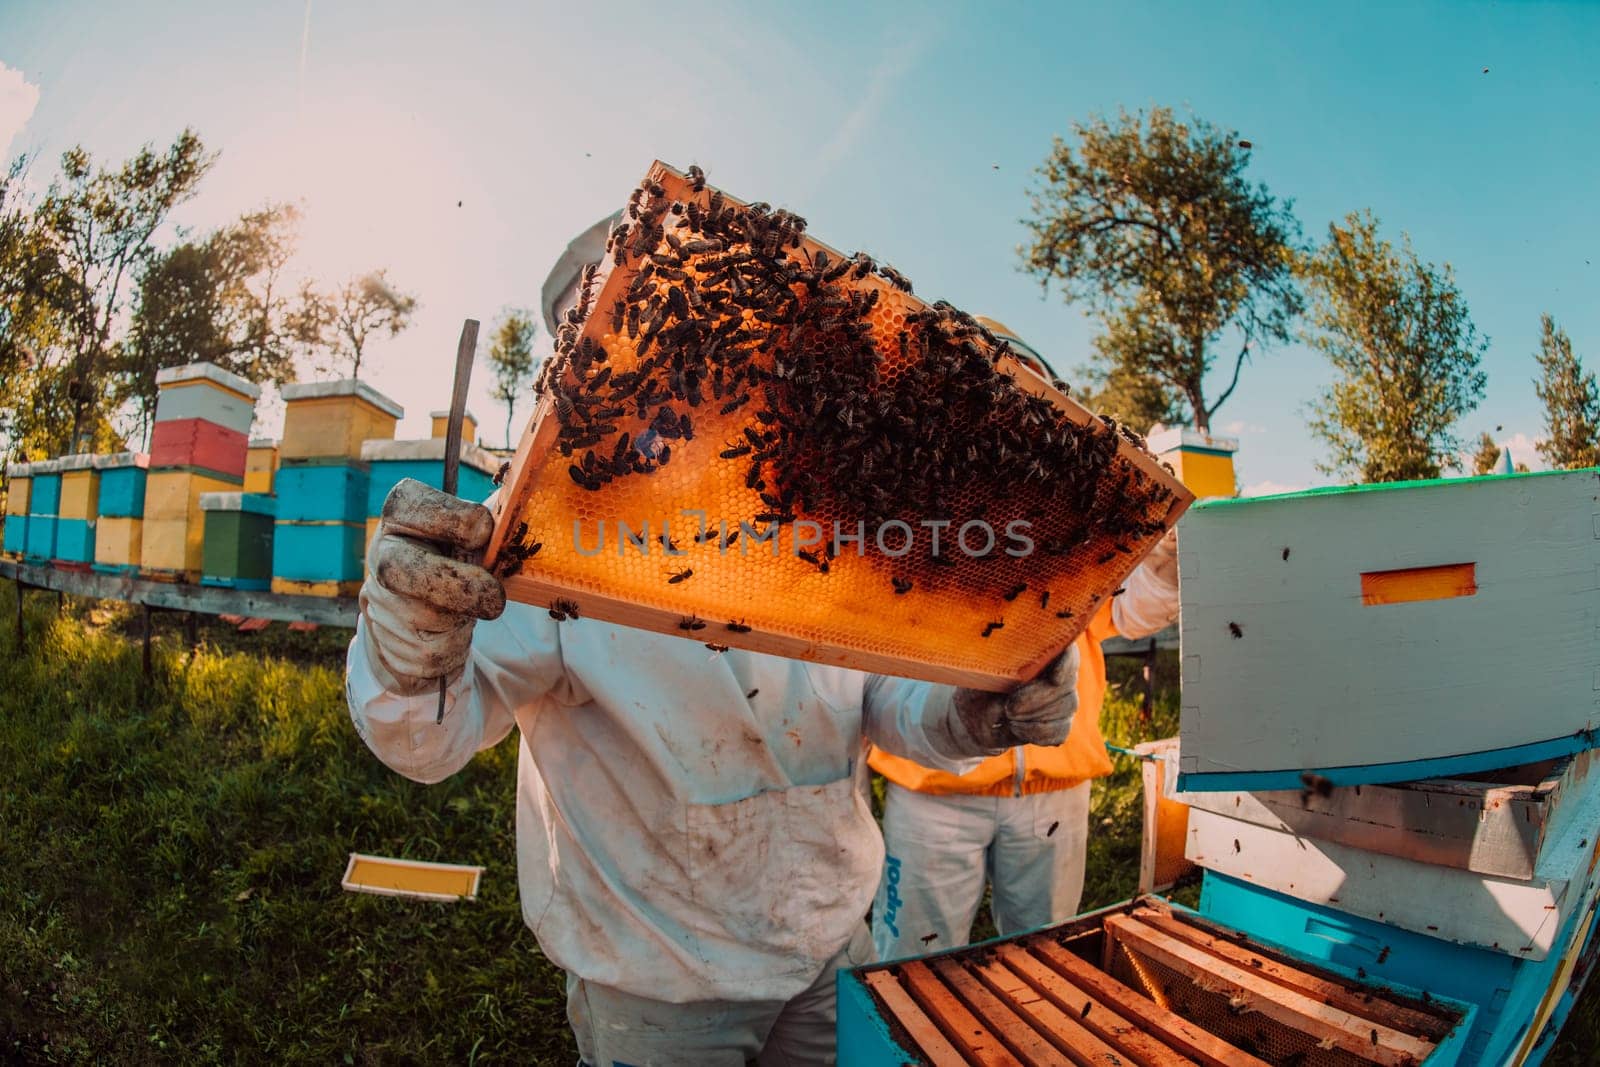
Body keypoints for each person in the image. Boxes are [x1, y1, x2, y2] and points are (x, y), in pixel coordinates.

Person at [346, 478, 1083, 1066]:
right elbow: (428, 736)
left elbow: (883, 694)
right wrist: (411, 649)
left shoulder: (834, 505)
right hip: (658, 977)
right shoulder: (557, 511)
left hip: (828, 936)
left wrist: (973, 710)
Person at [868, 323, 1182, 962]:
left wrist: (1165, 565)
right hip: (933, 788)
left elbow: (1128, 613)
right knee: (914, 966)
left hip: (1052, 788)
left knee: (1045, 959)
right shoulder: (907, 523)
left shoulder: (1072, 525)